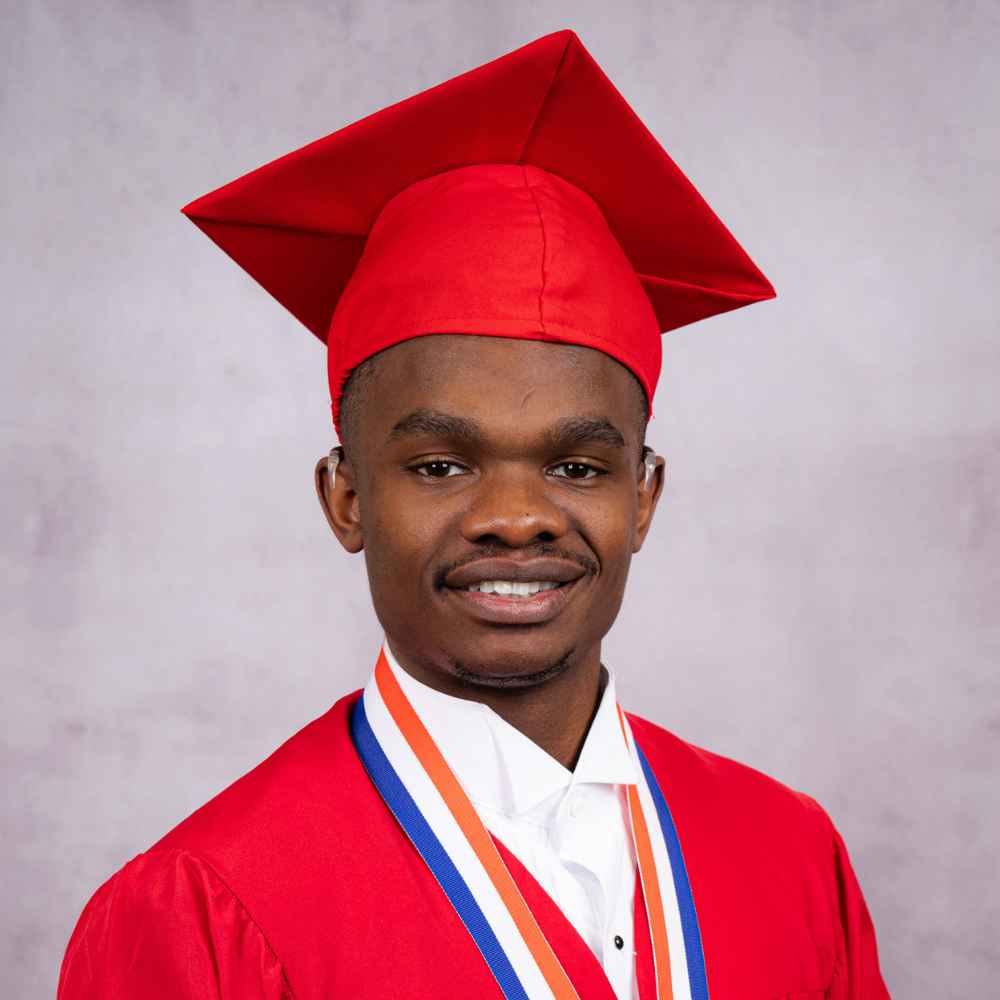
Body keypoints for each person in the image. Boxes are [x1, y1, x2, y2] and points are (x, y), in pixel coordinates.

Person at [58, 30, 890, 1000]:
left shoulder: (790, 858)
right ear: (345, 497)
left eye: (576, 466)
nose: (517, 518)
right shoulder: (206, 913)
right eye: (442, 465)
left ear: (643, 497)